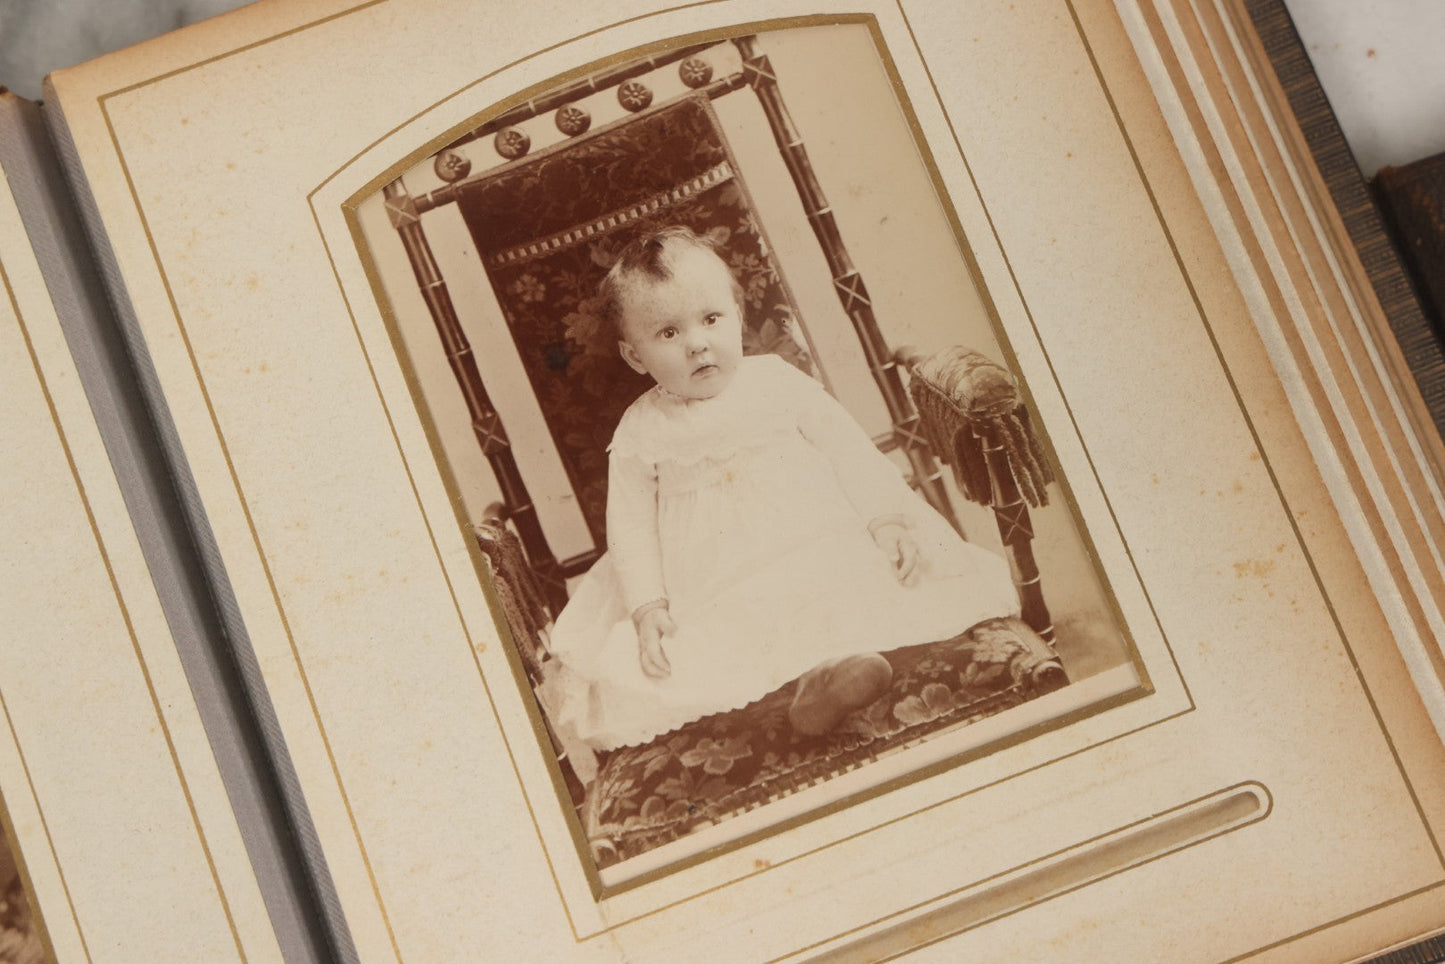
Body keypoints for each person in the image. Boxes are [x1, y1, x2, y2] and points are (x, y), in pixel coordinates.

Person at [545, 226, 1019, 751]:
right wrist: (648, 607)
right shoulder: (641, 429)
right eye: (668, 333)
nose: (698, 342)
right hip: (711, 579)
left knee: (842, 585)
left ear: (737, 316)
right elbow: (630, 527)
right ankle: (811, 686)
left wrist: (885, 519)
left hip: (816, 538)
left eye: (709, 319)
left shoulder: (775, 380)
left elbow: (848, 452)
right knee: (723, 636)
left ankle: (832, 672)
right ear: (635, 356)